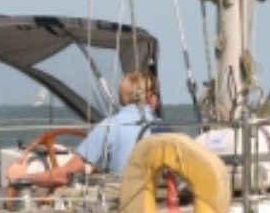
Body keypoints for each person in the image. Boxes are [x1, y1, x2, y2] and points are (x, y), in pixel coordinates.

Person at [12, 70, 162, 190]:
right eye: (157, 94)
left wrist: (24, 177)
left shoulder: (109, 126)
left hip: (124, 205)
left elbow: (64, 176)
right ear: (150, 97)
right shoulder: (165, 128)